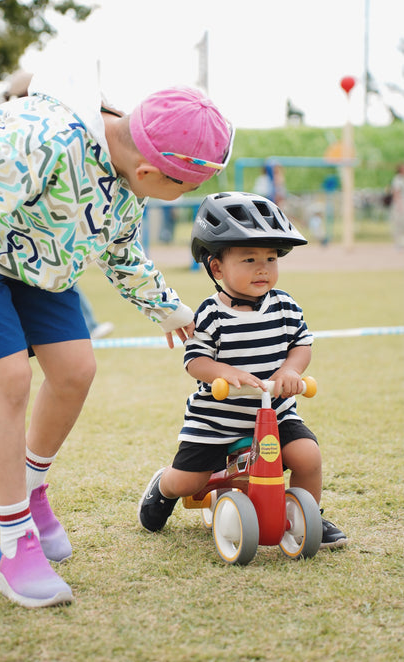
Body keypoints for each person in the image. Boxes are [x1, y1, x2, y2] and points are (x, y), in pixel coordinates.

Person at [0, 60, 235, 608]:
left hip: (41, 265)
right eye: (183, 188)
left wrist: (169, 310)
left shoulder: (127, 175)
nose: (182, 199)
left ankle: (32, 485)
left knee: (75, 372)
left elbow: (119, 250)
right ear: (148, 173)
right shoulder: (40, 142)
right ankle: (14, 545)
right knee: (11, 380)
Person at [138, 191, 347, 550]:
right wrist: (221, 372)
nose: (263, 268)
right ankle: (163, 487)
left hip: (275, 412)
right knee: (190, 482)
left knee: (307, 456)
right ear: (216, 267)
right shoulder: (210, 314)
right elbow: (195, 361)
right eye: (249, 259)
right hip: (217, 418)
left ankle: (307, 513)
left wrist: (290, 371)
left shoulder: (285, 306)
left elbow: (301, 344)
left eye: (270, 258)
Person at [5, 69, 114, 340]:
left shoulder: (61, 133)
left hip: (43, 244)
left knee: (65, 278)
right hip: (24, 244)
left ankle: (87, 324)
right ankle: (87, 325)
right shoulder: (23, 133)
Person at [390, 162, 404, 248]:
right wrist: (399, 205)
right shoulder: (397, 179)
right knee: (398, 224)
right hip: (400, 203)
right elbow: (396, 193)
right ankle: (398, 243)